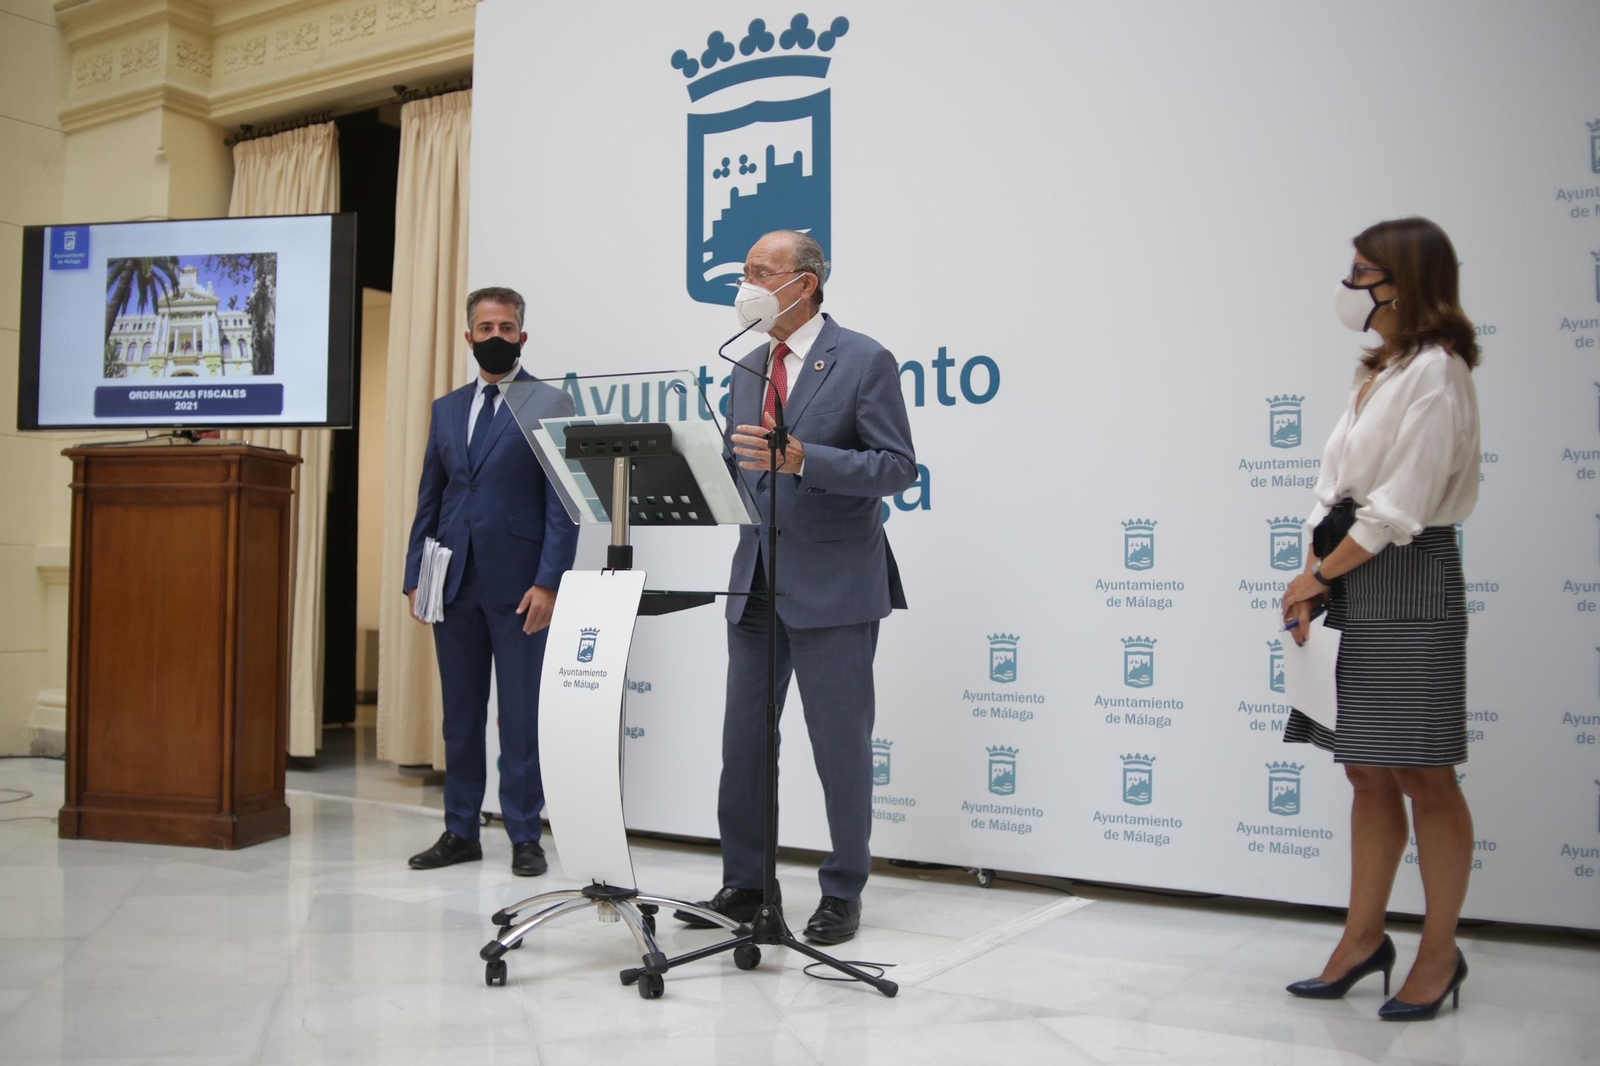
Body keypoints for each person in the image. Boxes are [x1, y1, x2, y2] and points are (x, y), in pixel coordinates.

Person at [674, 230, 917, 944]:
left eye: (757, 271)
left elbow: (897, 468)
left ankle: (843, 890)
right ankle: (746, 882)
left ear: (803, 283)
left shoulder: (864, 359)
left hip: (836, 581)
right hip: (754, 583)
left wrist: (809, 459)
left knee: (839, 748)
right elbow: (740, 465)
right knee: (744, 742)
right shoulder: (747, 365)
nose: (743, 283)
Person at [1280, 217, 1481, 1021]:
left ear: (1405, 279)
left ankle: (1440, 953)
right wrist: (1316, 578)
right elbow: (1340, 494)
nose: (1350, 284)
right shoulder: (1386, 367)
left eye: (1364, 271)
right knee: (1365, 767)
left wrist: (1317, 575)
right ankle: (1363, 940)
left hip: (1403, 575)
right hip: (1351, 577)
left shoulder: (1438, 370)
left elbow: (1398, 508)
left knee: (1423, 772)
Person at [403, 286, 579, 876]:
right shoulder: (447, 408)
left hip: (521, 586)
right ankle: (460, 831)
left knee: (521, 716)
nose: (497, 337)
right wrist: (414, 576)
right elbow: (432, 496)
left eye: (507, 328)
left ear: (522, 337)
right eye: (486, 328)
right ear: (469, 336)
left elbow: (564, 501)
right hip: (452, 582)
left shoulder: (548, 403)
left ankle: (525, 834)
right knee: (461, 717)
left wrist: (550, 581)